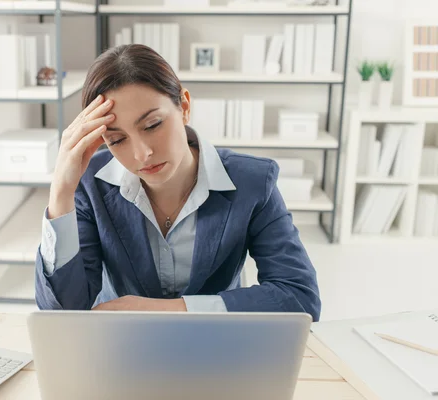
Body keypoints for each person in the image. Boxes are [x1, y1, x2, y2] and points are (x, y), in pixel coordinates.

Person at [34, 44, 321, 320]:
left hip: (218, 345)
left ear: (184, 106)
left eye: (152, 125)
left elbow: (299, 297)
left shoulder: (254, 181)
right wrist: (61, 192)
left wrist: (161, 311)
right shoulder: (91, 184)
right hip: (121, 345)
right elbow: (64, 312)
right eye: (117, 140)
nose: (142, 154)